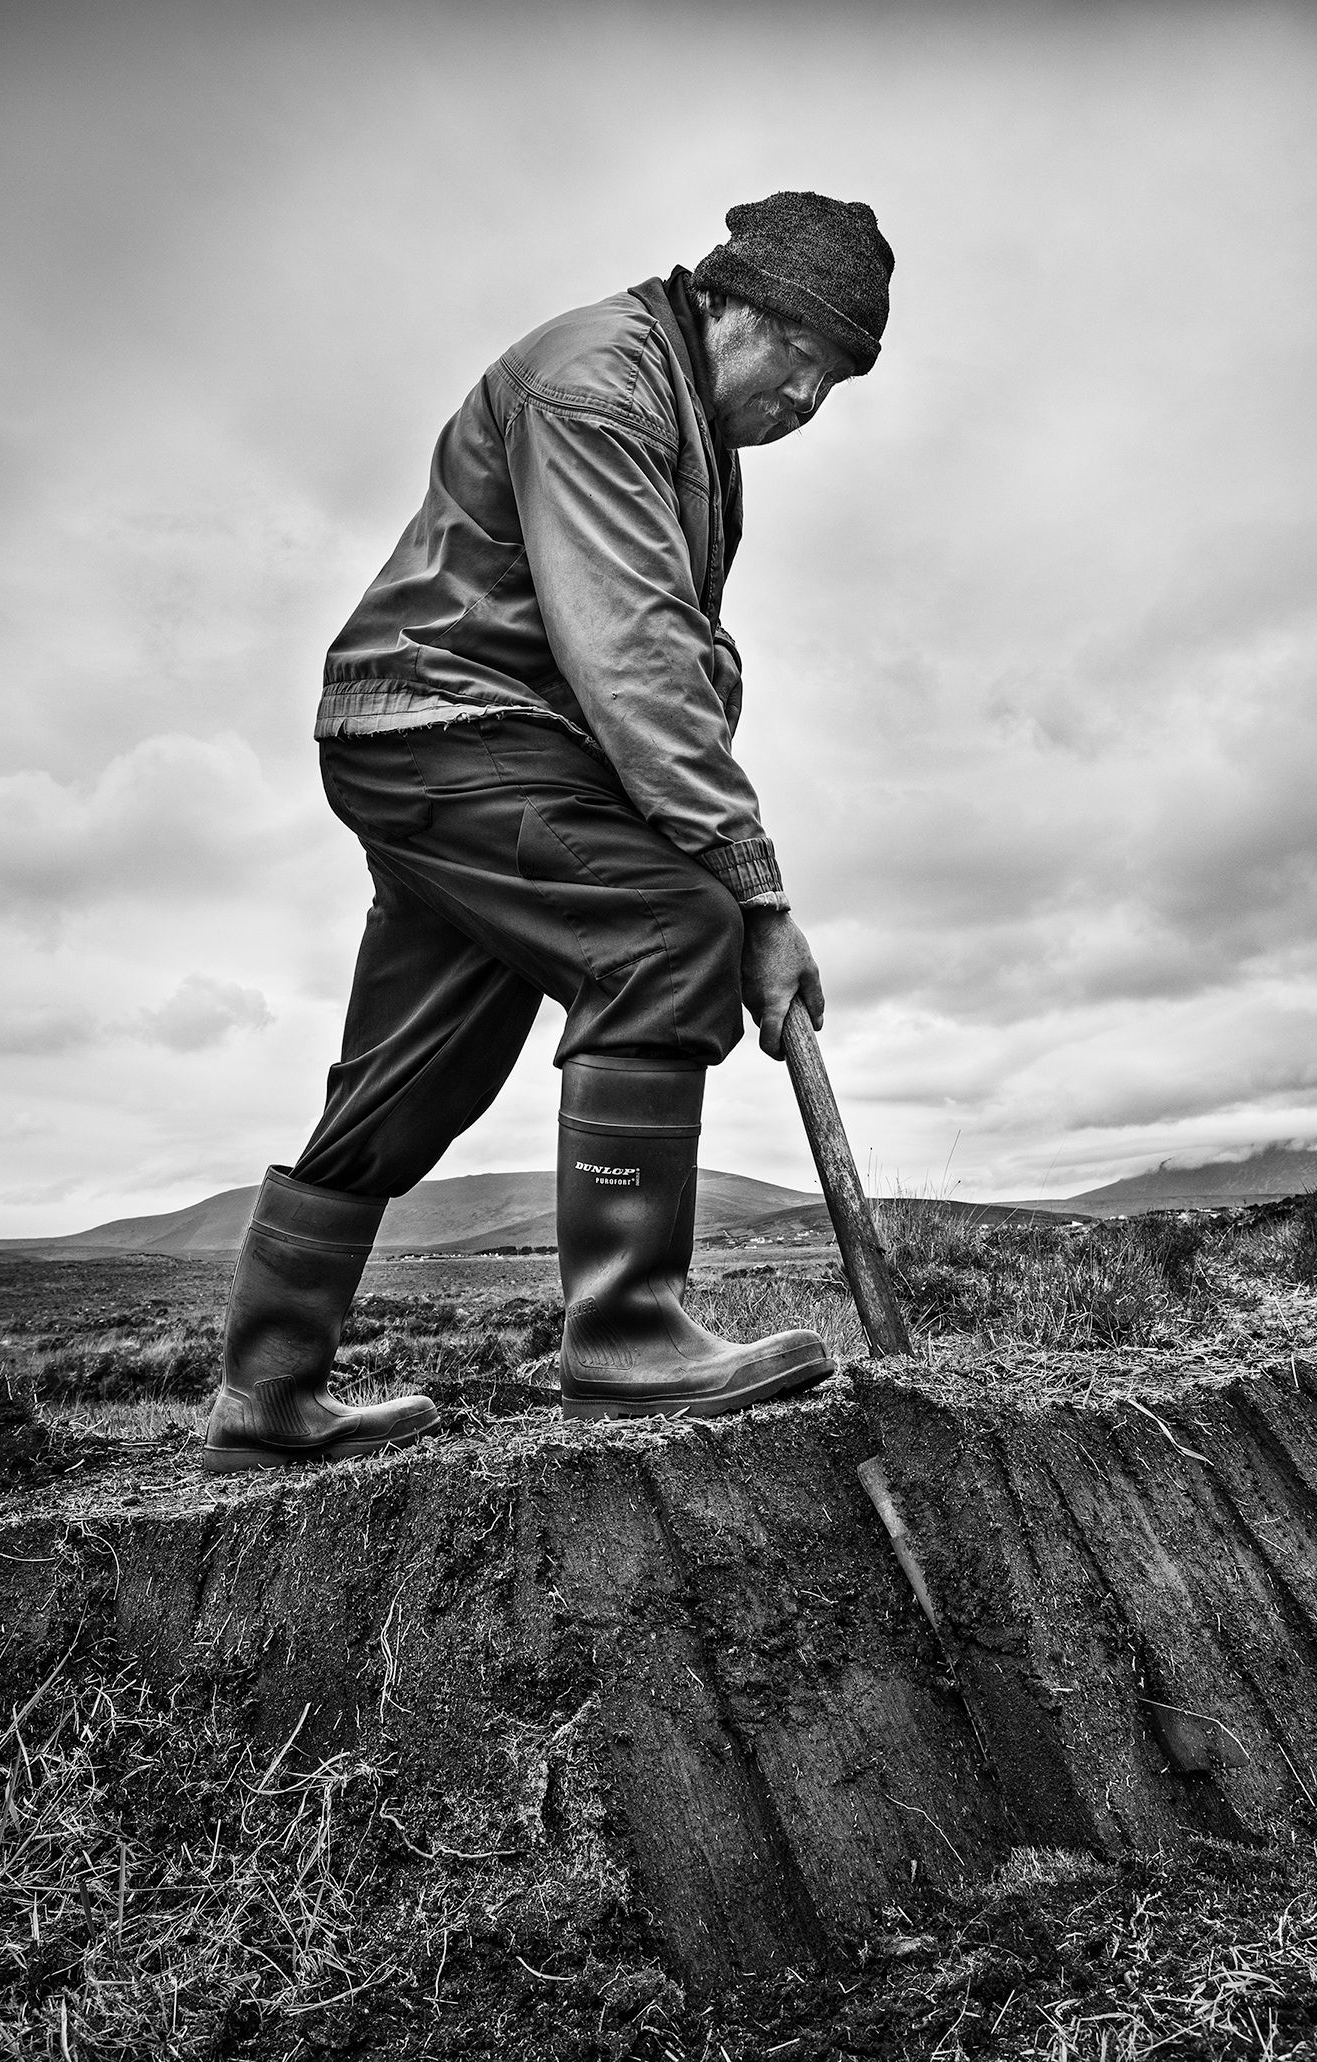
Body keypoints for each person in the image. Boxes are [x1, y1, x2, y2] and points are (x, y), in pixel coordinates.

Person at [202, 190, 894, 1473]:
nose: (807, 400)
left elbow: (659, 659)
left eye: (835, 382)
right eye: (799, 358)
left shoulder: (683, 416)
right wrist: (751, 892)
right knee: (663, 931)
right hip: (457, 730)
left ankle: (267, 1393)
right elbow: (632, 654)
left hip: (457, 740)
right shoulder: (599, 384)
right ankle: (624, 1335)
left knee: (418, 1069)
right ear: (729, 304)